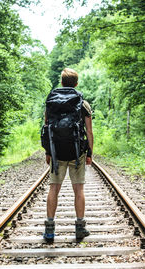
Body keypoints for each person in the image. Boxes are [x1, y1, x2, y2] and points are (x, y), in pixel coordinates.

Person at [44, 68, 93, 241]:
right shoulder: (83, 103)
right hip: (76, 151)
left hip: (57, 152)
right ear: (76, 83)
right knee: (78, 189)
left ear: (62, 82)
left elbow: (47, 128)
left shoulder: (51, 101)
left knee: (54, 189)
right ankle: (80, 228)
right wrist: (89, 153)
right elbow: (89, 131)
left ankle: (49, 229)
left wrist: (48, 152)